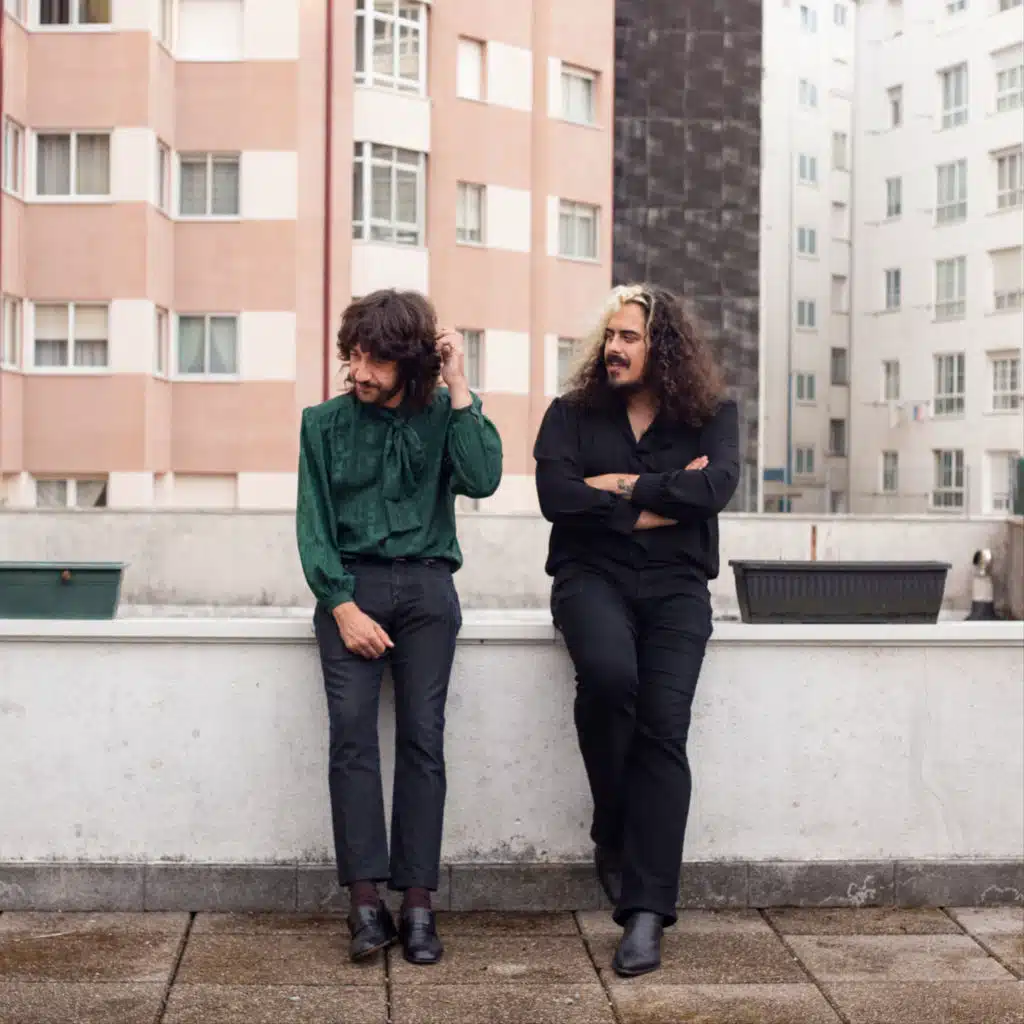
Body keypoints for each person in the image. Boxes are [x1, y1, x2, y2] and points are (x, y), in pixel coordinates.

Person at [533, 283, 739, 978]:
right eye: (610, 336)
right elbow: (556, 497)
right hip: (590, 576)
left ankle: (646, 914)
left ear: (664, 348)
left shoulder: (712, 416)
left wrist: (616, 485)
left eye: (630, 337)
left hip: (678, 587)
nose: (613, 348)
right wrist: (662, 497)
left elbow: (714, 490)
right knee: (610, 677)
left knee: (663, 727)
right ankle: (612, 823)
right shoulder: (571, 413)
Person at [296, 289, 503, 965]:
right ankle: (364, 905)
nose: (360, 372)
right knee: (352, 736)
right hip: (351, 587)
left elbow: (484, 478)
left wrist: (460, 385)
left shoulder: (444, 413)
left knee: (423, 739)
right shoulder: (322, 424)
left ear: (409, 363)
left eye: (377, 361)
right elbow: (313, 524)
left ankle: (418, 904)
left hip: (428, 590)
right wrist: (341, 605)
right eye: (354, 356)